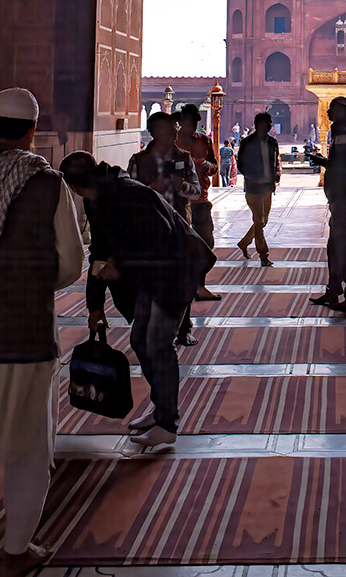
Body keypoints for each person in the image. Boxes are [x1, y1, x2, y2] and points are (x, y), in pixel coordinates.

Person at [0, 88, 84, 577]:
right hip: (24, 334)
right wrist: (31, 281)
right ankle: (15, 553)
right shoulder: (46, 182)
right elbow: (71, 264)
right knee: (29, 450)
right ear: (33, 131)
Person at [61, 150, 214, 451]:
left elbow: (160, 240)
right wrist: (95, 306)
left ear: (74, 186)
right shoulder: (98, 199)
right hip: (149, 279)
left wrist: (119, 264)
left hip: (173, 274)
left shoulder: (130, 194)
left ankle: (167, 424)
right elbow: (100, 253)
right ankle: (161, 413)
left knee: (156, 345)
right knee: (142, 342)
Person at [128, 111, 204, 341]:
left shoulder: (184, 158)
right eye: (172, 128)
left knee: (183, 278)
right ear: (157, 132)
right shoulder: (139, 161)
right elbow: (129, 194)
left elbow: (196, 190)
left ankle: (183, 328)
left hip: (179, 225)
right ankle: (150, 329)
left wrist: (181, 186)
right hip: (148, 229)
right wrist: (150, 188)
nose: (177, 132)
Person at [309, 96, 346, 314]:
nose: (328, 112)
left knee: (344, 247)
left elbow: (345, 167)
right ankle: (334, 288)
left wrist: (324, 162)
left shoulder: (345, 135)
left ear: (342, 111)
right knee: (334, 246)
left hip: (342, 197)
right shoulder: (342, 133)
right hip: (340, 197)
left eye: (331, 109)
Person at [175, 103, 220, 299]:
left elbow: (215, 166)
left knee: (206, 243)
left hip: (201, 200)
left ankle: (199, 285)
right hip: (177, 203)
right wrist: (191, 164)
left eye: (194, 122)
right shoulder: (173, 142)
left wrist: (207, 166)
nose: (191, 126)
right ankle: (183, 286)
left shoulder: (203, 140)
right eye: (188, 121)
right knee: (180, 247)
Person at [236, 112, 281, 266]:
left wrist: (277, 173)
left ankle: (244, 242)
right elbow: (240, 165)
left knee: (262, 221)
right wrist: (253, 177)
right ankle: (263, 254)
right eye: (266, 122)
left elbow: (276, 162)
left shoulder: (272, 142)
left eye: (270, 122)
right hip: (253, 188)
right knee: (258, 220)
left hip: (267, 187)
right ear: (258, 124)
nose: (269, 125)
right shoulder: (247, 143)